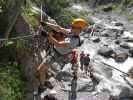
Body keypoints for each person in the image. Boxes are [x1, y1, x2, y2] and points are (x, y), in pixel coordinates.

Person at [36, 18, 88, 92]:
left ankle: (42, 85)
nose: (71, 28)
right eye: (72, 27)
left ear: (78, 29)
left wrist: (47, 35)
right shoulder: (72, 32)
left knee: (40, 69)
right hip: (56, 51)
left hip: (57, 54)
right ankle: (45, 80)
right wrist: (46, 24)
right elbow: (59, 28)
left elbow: (58, 44)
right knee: (42, 69)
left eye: (73, 27)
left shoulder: (74, 41)